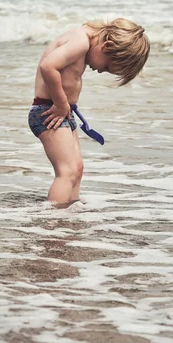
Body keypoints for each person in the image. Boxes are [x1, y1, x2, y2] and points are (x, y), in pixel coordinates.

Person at [28, 18, 150, 206]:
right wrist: (61, 104)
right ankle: (53, 218)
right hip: (49, 111)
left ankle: (70, 209)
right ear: (107, 45)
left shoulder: (86, 41)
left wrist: (63, 107)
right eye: (107, 66)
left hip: (61, 112)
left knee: (77, 168)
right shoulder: (81, 41)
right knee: (66, 171)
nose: (101, 71)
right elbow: (48, 66)